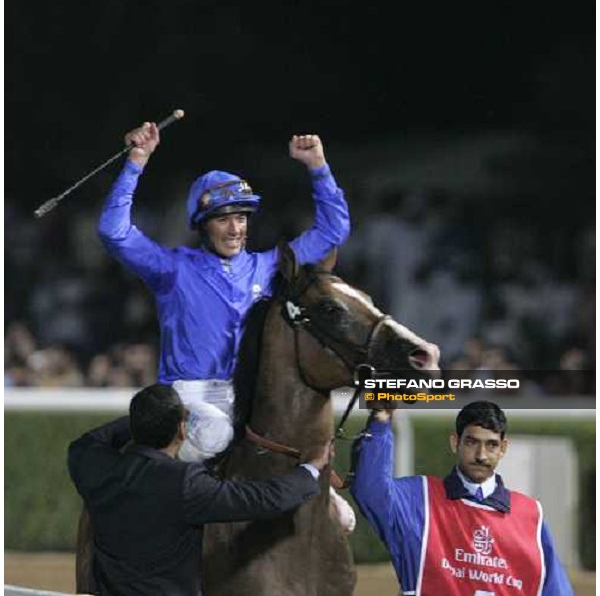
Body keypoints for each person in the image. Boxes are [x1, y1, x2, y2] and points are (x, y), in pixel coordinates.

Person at [97, 120, 355, 531]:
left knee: (324, 483)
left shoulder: (270, 265)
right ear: (202, 223)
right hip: (188, 399)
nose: (236, 228)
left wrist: (318, 167)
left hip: (251, 398)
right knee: (216, 433)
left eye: (242, 217)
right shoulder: (172, 269)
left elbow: (333, 230)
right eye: (223, 219)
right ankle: (167, 514)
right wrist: (136, 163)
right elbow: (114, 231)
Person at [68, 383, 330, 596]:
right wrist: (311, 469)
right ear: (182, 430)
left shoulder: (94, 466)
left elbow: (88, 441)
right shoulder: (184, 482)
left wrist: (147, 417)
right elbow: (262, 499)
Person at [350, 401, 573, 595]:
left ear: (503, 448)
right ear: (455, 442)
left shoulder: (531, 514)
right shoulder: (419, 497)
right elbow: (370, 491)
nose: (481, 455)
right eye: (471, 442)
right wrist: (380, 421)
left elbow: (555, 589)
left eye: (491, 445)